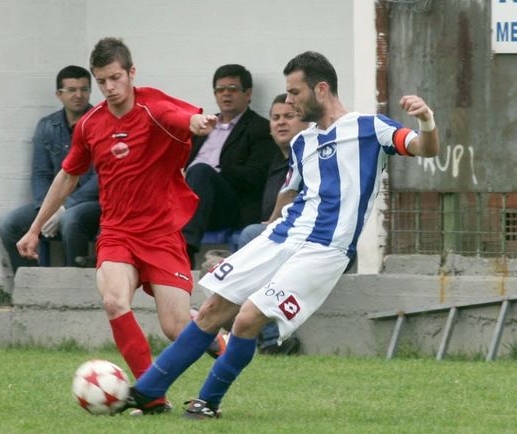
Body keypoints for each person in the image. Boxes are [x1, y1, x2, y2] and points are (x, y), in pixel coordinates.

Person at [122, 51, 440, 417]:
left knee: (247, 318)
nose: (288, 101)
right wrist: (262, 238)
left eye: (294, 92)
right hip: (283, 237)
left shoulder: (370, 128)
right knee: (211, 309)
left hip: (325, 248)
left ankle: (208, 402)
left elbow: (424, 148)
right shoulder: (303, 143)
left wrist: (427, 121)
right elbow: (289, 193)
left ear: (321, 89)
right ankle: (147, 393)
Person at [16, 37, 220, 410]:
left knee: (176, 329)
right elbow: (67, 176)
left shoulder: (153, 107)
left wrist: (197, 121)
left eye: (115, 78)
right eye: (102, 81)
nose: (109, 88)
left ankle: (206, 333)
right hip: (117, 232)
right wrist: (34, 228)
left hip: (161, 234)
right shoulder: (90, 125)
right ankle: (152, 397)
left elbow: (182, 118)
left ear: (131, 73)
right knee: (114, 302)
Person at [0, 65, 100, 272]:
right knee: (8, 224)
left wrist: (64, 207)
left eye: (84, 89)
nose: (79, 95)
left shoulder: (101, 122)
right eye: (71, 90)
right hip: (55, 201)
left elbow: (102, 178)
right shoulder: (47, 126)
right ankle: (31, 285)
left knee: (71, 220)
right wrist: (48, 209)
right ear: (59, 94)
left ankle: (75, 288)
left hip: (94, 204)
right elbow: (40, 173)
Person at [236, 93, 309, 355]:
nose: (280, 123)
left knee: (250, 237)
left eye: (289, 117)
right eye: (275, 118)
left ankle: (272, 338)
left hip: (315, 239)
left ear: (305, 122)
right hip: (285, 237)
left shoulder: (312, 156)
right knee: (244, 242)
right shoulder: (276, 160)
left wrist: (271, 225)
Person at [183, 64, 276, 267]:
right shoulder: (205, 125)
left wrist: (218, 170)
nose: (226, 94)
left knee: (200, 170)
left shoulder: (259, 129)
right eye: (220, 89)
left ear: (248, 93)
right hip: (191, 195)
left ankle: (185, 248)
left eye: (232, 88)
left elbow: (256, 176)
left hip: (228, 203)